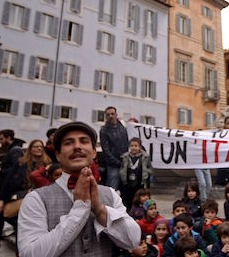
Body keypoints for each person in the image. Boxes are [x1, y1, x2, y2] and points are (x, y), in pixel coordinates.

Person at [17, 121, 140, 256]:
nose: (77, 147)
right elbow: (29, 254)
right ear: (58, 155)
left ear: (94, 152)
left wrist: (100, 210)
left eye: (83, 141)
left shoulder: (110, 194)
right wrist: (79, 209)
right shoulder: (35, 199)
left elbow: (132, 241)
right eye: (68, 143)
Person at [0, 128, 26, 252]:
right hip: (8, 189)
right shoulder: (14, 150)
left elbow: (15, 172)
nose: (0, 141)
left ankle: (19, 243)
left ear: (8, 138)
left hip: (10, 190)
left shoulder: (15, 151)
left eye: (2, 138)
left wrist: (1, 170)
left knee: (6, 215)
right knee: (2, 216)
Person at [100, 106, 130, 190]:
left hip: (125, 162)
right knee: (113, 188)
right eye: (108, 115)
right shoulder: (104, 130)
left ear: (116, 115)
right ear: (106, 117)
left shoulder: (123, 127)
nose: (110, 116)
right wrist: (117, 162)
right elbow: (106, 150)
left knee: (125, 188)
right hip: (113, 165)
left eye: (112, 114)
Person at [120, 137, 152, 208]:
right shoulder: (125, 157)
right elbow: (122, 168)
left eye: (136, 146)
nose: (133, 148)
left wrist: (147, 175)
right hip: (128, 182)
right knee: (127, 199)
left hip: (139, 182)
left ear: (140, 147)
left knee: (139, 199)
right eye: (132, 146)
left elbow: (149, 167)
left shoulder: (145, 157)